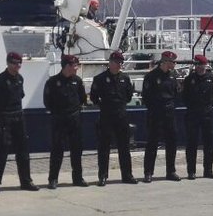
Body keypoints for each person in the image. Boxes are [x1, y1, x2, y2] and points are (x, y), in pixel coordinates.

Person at [0, 52, 38, 193]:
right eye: (15, 63)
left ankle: (26, 181)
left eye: (19, 63)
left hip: (18, 117)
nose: (18, 66)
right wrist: (1, 119)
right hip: (5, 118)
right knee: (1, 152)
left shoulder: (20, 79)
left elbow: (20, 96)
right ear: (8, 63)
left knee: (23, 152)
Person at [89, 50, 138, 186]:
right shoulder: (99, 79)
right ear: (110, 63)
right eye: (116, 62)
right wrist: (103, 105)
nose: (118, 65)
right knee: (104, 148)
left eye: (120, 63)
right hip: (106, 115)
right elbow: (94, 97)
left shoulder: (125, 78)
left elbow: (128, 96)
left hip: (121, 116)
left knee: (124, 148)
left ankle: (127, 175)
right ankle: (103, 176)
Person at [43, 54, 88, 188]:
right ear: (67, 66)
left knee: (76, 151)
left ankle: (78, 178)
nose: (76, 68)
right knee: (57, 151)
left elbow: (82, 99)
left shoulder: (77, 81)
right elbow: (47, 102)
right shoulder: (52, 82)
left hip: (74, 120)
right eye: (74, 66)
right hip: (59, 120)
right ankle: (53, 179)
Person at [141, 50, 182, 182]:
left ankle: (171, 171)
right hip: (156, 113)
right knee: (152, 143)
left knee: (171, 143)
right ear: (166, 62)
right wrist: (155, 109)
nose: (174, 64)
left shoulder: (172, 77)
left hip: (169, 114)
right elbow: (146, 97)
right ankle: (148, 172)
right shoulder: (151, 77)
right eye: (173, 62)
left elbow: (176, 93)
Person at [183, 54, 213, 179]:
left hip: (207, 114)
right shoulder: (189, 79)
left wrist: (208, 107)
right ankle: (191, 171)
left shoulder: (212, 79)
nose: (199, 68)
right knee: (191, 143)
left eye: (200, 65)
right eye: (197, 65)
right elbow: (184, 97)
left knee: (209, 144)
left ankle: (208, 170)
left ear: (205, 65)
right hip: (193, 114)